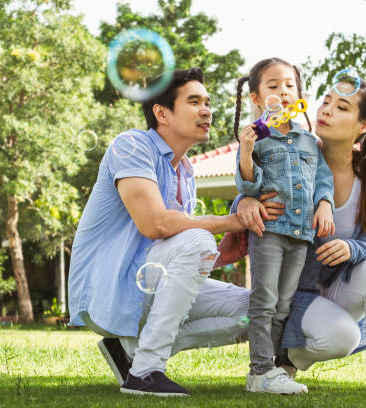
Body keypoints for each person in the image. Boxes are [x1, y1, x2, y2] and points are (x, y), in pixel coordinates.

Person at [68, 68, 265, 397]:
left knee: (255, 311)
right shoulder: (130, 146)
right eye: (194, 101)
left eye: (208, 102)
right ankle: (145, 373)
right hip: (109, 290)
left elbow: (172, 261)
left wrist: (225, 254)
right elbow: (156, 225)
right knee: (200, 238)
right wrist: (230, 222)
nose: (207, 110)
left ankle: (131, 355)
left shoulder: (185, 172)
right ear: (161, 112)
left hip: (143, 285)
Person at [226, 76, 366, 390]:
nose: (326, 110)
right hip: (298, 295)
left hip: (343, 288)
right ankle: (284, 361)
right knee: (342, 338)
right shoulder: (296, 150)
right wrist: (245, 199)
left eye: (341, 107)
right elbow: (259, 188)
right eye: (326, 101)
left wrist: (352, 247)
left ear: (363, 125)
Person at [233, 57, 335, 394]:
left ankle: (272, 371)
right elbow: (248, 186)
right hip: (269, 232)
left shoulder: (309, 142)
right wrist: (246, 150)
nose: (283, 91)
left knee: (283, 305)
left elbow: (323, 179)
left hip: (301, 235)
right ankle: (259, 369)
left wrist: (324, 204)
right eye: (273, 86)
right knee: (264, 300)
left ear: (299, 93)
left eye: (289, 85)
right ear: (258, 99)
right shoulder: (257, 140)